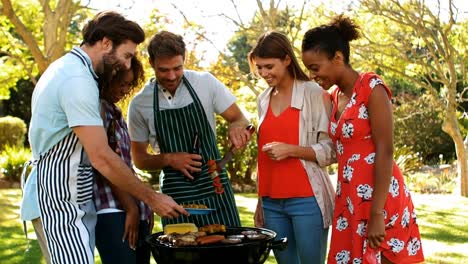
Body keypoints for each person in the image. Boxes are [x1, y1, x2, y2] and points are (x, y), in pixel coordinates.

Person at [23, 11, 187, 264]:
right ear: (106, 43)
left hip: (75, 198)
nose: (126, 65)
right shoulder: (76, 79)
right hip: (59, 199)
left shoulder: (71, 70)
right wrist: (151, 198)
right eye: (127, 55)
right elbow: (102, 156)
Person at [301, 15, 424, 263]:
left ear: (337, 57)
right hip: (350, 200)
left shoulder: (372, 87)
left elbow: (385, 149)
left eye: (315, 67)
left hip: (380, 198)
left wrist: (377, 212)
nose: (312, 75)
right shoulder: (334, 96)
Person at [128, 31, 252, 227]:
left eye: (177, 68)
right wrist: (169, 159)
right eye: (163, 70)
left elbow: (239, 119)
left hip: (215, 187)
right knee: (182, 254)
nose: (171, 76)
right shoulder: (139, 104)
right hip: (175, 197)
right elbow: (140, 159)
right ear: (151, 63)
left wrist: (236, 128)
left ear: (184, 59)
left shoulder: (205, 83)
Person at [248, 31, 336, 264]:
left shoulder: (314, 94)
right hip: (271, 204)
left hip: (307, 200)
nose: (264, 73)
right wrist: (260, 201)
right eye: (259, 68)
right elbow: (263, 157)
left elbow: (331, 150)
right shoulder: (263, 99)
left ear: (287, 60)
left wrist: (292, 150)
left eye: (269, 66)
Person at [94, 56, 152, 264]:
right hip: (113, 208)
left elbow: (125, 164)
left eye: (130, 85)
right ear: (108, 79)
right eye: (122, 83)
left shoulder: (115, 111)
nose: (126, 90)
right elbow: (105, 164)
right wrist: (132, 208)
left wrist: (144, 203)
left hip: (132, 206)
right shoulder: (98, 109)